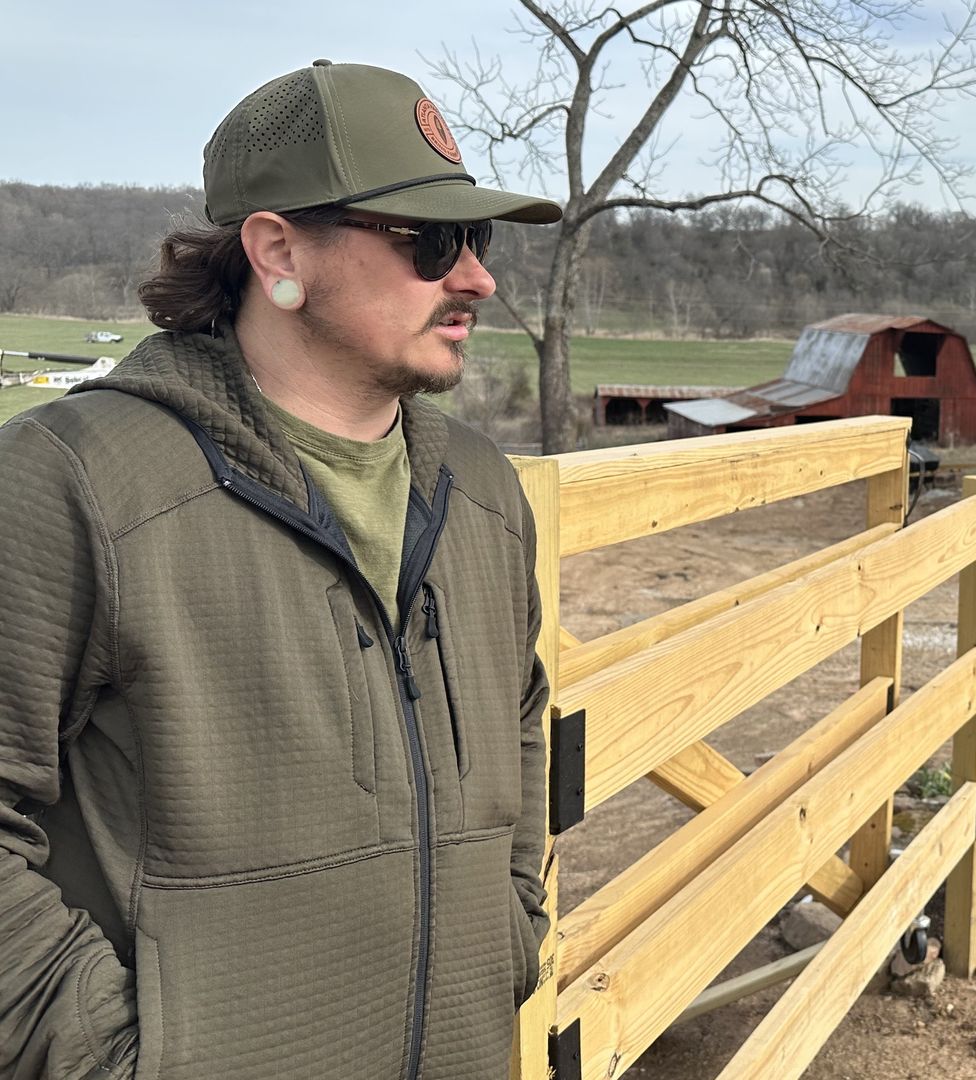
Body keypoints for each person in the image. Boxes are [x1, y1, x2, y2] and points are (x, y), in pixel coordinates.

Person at [0, 61, 562, 1078]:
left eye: (479, 240)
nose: (477, 277)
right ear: (277, 250)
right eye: (431, 242)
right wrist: (110, 1058)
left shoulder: (485, 495)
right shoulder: (75, 482)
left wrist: (509, 935)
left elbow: (519, 715)